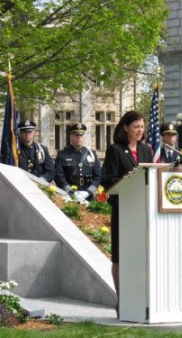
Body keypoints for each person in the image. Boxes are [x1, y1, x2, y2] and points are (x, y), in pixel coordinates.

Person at [101, 110, 152, 314]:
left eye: (142, 127)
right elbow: (108, 180)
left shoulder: (146, 150)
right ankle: (122, 299)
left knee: (142, 254)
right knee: (120, 256)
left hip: (143, 210)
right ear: (125, 128)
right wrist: (128, 181)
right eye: (136, 127)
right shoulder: (115, 150)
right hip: (123, 210)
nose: (140, 130)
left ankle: (141, 297)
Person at [54, 123, 101, 200]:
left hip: (88, 195)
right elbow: (59, 176)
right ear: (71, 136)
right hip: (68, 196)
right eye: (76, 135)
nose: (79, 137)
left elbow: (98, 176)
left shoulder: (92, 154)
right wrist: (70, 191)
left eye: (81, 135)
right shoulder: (63, 154)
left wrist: (89, 192)